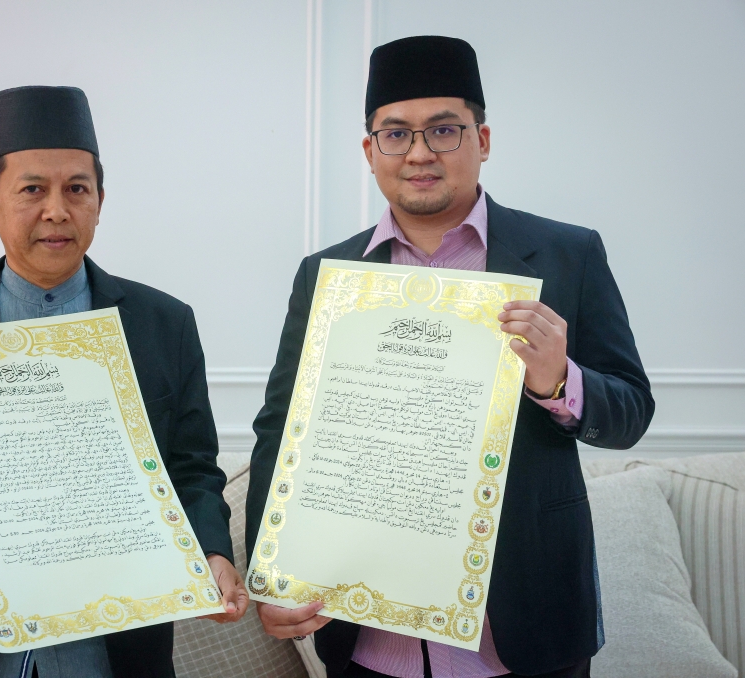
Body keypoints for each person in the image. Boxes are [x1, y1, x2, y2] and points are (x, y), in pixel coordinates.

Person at [246, 36, 654, 678]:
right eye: (395, 134)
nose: (419, 153)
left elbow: (631, 413)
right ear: (369, 150)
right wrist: (269, 575)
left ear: (482, 140)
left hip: (525, 631)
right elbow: (280, 428)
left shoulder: (567, 255)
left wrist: (556, 381)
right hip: (367, 638)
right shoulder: (327, 276)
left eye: (444, 130)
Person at [0, 86, 248, 678]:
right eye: (32, 189)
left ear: (100, 202)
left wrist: (212, 551)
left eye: (76, 189)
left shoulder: (164, 325)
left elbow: (192, 468)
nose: (57, 210)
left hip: (115, 649)